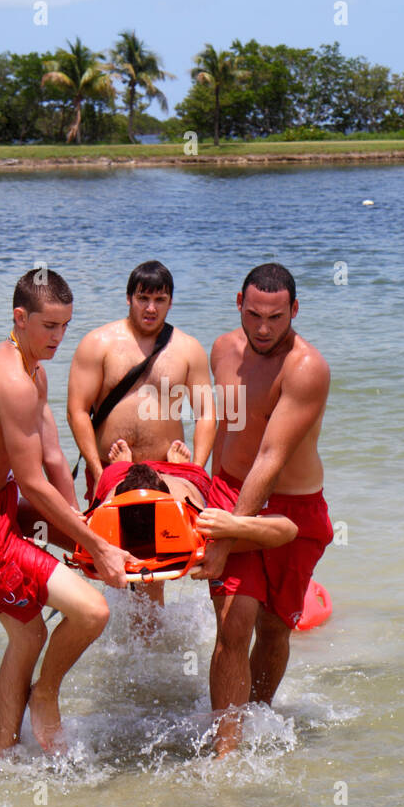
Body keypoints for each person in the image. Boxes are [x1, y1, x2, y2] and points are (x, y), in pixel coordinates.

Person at [0, 267, 131, 756]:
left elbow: (54, 459)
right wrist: (97, 546)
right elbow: (32, 484)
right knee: (79, 615)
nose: (58, 338)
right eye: (49, 326)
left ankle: (5, 752)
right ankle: (35, 710)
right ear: (19, 318)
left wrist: (86, 525)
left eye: (65, 326)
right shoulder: (12, 382)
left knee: (42, 621)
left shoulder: (33, 371)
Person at [191, 263, 332, 758]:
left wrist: (228, 535)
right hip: (231, 491)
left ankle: (255, 718)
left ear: (295, 310)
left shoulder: (306, 368)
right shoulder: (222, 350)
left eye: (276, 316)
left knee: (274, 626)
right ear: (238, 305)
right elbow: (226, 423)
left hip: (292, 508)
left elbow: (270, 458)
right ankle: (226, 755)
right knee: (234, 621)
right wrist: (195, 479)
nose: (264, 328)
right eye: (254, 315)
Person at [68, 260, 215, 609]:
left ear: (170, 302)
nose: (150, 308)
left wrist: (195, 467)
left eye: (159, 299)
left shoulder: (188, 349)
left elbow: (207, 412)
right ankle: (124, 638)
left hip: (168, 472)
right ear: (129, 298)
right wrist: (99, 469)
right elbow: (77, 410)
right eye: (143, 298)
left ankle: (146, 646)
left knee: (162, 565)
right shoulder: (98, 343)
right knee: (114, 565)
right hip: (110, 470)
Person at [94, 439, 297, 552]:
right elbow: (289, 529)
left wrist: (76, 524)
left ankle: (123, 466)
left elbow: (289, 530)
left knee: (115, 473)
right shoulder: (197, 528)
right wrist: (235, 526)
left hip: (121, 482)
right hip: (184, 480)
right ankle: (178, 467)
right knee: (191, 475)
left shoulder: (99, 537)